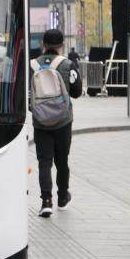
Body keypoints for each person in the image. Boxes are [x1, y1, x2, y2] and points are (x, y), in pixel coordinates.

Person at [32, 29, 82, 218]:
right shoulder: (68, 64)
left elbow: (28, 96)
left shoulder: (32, 65)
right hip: (63, 121)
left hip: (40, 123)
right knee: (62, 161)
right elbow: (76, 92)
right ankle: (62, 197)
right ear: (61, 46)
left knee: (44, 162)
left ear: (43, 44)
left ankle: (46, 201)